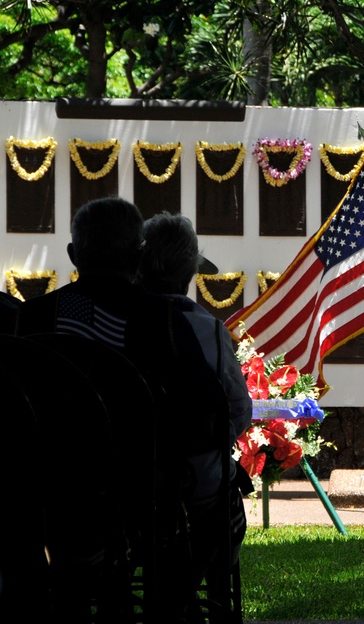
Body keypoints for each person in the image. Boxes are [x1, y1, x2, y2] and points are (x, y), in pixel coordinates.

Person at [14, 197, 229, 620]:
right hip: (141, 499)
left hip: (46, 497)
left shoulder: (33, 319)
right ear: (139, 254)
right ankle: (171, 606)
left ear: (74, 255)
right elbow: (208, 415)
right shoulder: (163, 317)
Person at [138, 212, 254, 577]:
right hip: (197, 486)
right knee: (223, 525)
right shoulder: (209, 330)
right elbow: (238, 412)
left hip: (125, 486)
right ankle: (181, 601)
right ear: (189, 275)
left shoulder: (118, 323)